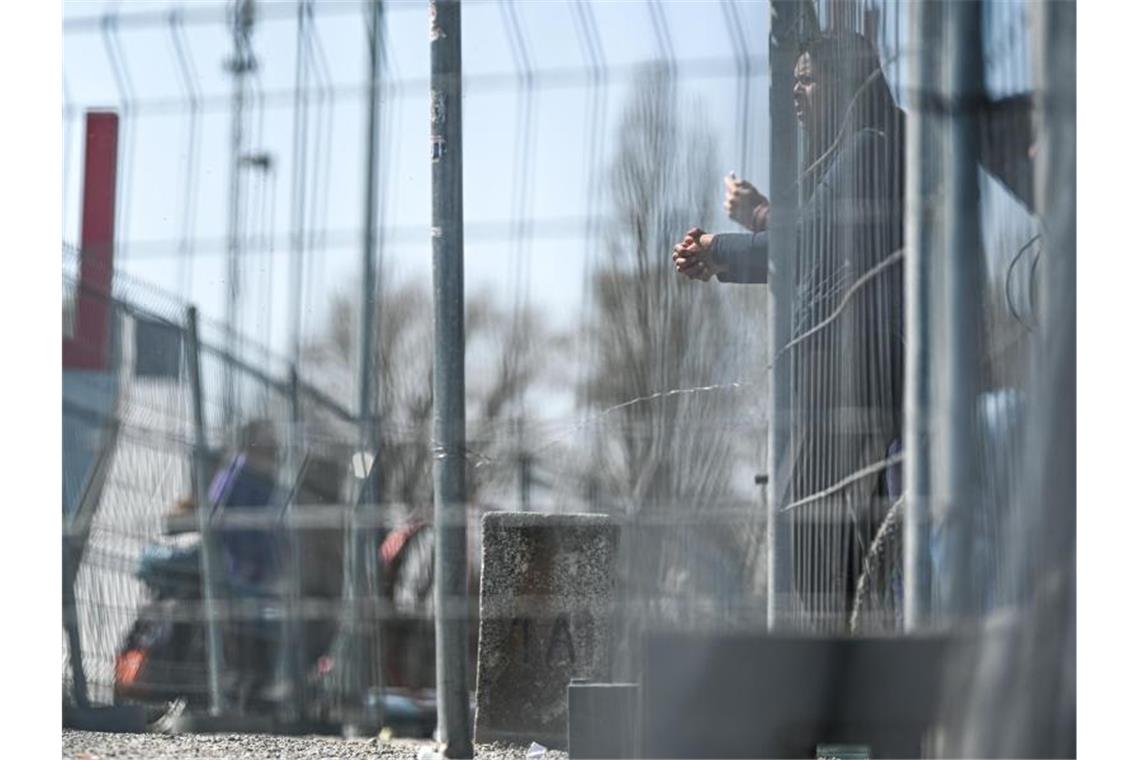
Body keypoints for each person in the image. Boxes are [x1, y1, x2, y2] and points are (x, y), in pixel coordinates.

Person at [673, 31, 906, 630]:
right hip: (843, 381)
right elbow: (814, 236)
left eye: (808, 79)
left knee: (818, 540)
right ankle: (856, 672)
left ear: (845, 80)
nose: (796, 94)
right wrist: (737, 241)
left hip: (856, 381)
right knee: (825, 542)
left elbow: (810, 241)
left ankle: (856, 679)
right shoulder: (861, 142)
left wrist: (724, 247)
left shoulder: (872, 141)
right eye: (795, 80)